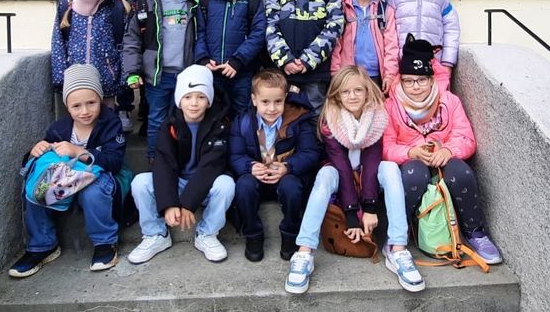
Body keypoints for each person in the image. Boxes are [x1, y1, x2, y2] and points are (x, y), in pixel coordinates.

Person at [285, 65, 423, 294]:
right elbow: (341, 167)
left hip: (368, 175)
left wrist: (369, 207)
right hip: (341, 176)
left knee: (389, 169)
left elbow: (372, 162)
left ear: (368, 92)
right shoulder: (330, 119)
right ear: (337, 95)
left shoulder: (377, 116)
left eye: (358, 90)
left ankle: (397, 247)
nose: (352, 96)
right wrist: (351, 215)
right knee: (324, 175)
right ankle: (304, 251)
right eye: (345, 92)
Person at [383, 36, 502, 265]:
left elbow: (466, 137)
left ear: (431, 80)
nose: (415, 87)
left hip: (443, 159)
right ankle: (399, 233)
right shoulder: (391, 105)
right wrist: (410, 152)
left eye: (420, 80)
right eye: (408, 81)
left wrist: (448, 149)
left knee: (461, 172)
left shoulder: (449, 101)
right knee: (413, 174)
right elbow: (386, 147)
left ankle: (475, 232)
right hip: (412, 162)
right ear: (401, 81)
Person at [8, 64, 125, 277]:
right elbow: (41, 159)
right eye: (76, 106)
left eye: (91, 103)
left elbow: (114, 161)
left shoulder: (111, 124)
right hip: (65, 182)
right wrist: (35, 151)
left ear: (100, 99)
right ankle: (42, 245)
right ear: (67, 107)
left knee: (93, 191)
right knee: (36, 184)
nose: (85, 111)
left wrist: (79, 151)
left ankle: (104, 242)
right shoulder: (59, 128)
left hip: (99, 177)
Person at [127, 65, 236, 264]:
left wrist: (187, 203)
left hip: (204, 186)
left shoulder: (219, 125)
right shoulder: (169, 125)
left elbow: (211, 167)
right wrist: (169, 204)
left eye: (201, 97)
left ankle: (207, 234)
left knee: (226, 184)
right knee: (140, 183)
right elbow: (163, 164)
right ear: (179, 100)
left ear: (209, 100)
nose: (194, 103)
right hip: (177, 183)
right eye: (187, 97)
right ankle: (156, 234)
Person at [123, 0, 206, 159]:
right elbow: (132, 40)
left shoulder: (193, 3)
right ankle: (155, 159)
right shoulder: (147, 4)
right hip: (157, 76)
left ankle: (178, 159)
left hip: (185, 76)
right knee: (157, 120)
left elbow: (202, 36)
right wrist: (132, 71)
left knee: (182, 118)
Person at [229, 69, 320, 262]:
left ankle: (290, 234)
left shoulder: (298, 121)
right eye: (265, 102)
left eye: (278, 101)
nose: (272, 108)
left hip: (284, 177)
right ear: (254, 100)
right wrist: (249, 166)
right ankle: (253, 234)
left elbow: (310, 153)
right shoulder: (243, 122)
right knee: (243, 185)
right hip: (256, 178)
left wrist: (288, 166)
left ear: (285, 98)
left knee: (292, 186)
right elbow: (235, 155)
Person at [50, 0, 127, 117]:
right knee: (79, 124)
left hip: (106, 80)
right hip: (74, 81)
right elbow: (58, 42)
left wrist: (122, 78)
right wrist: (60, 77)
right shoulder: (67, 4)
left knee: (106, 125)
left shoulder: (116, 6)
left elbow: (124, 43)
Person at [195, 0, 267, 116]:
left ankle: (241, 144)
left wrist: (238, 60)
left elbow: (258, 33)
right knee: (214, 113)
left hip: (240, 70)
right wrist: (203, 59)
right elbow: (199, 32)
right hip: (213, 70)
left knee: (242, 113)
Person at [330, 0, 400, 91]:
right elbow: (336, 44)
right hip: (348, 75)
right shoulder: (342, 8)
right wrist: (336, 73)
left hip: (376, 75)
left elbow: (392, 46)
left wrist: (390, 74)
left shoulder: (385, 11)